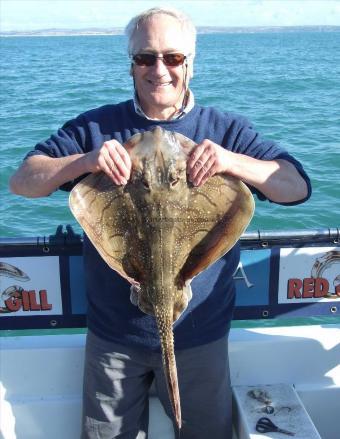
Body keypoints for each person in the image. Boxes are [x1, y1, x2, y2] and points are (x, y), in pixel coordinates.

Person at [9, 7, 311, 439]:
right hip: (114, 337)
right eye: (145, 57)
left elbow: (295, 187)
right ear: (130, 63)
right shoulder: (96, 127)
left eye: (172, 58)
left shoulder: (223, 129)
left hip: (200, 336)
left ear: (191, 62)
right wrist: (85, 160)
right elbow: (23, 182)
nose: (159, 69)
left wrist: (231, 162)